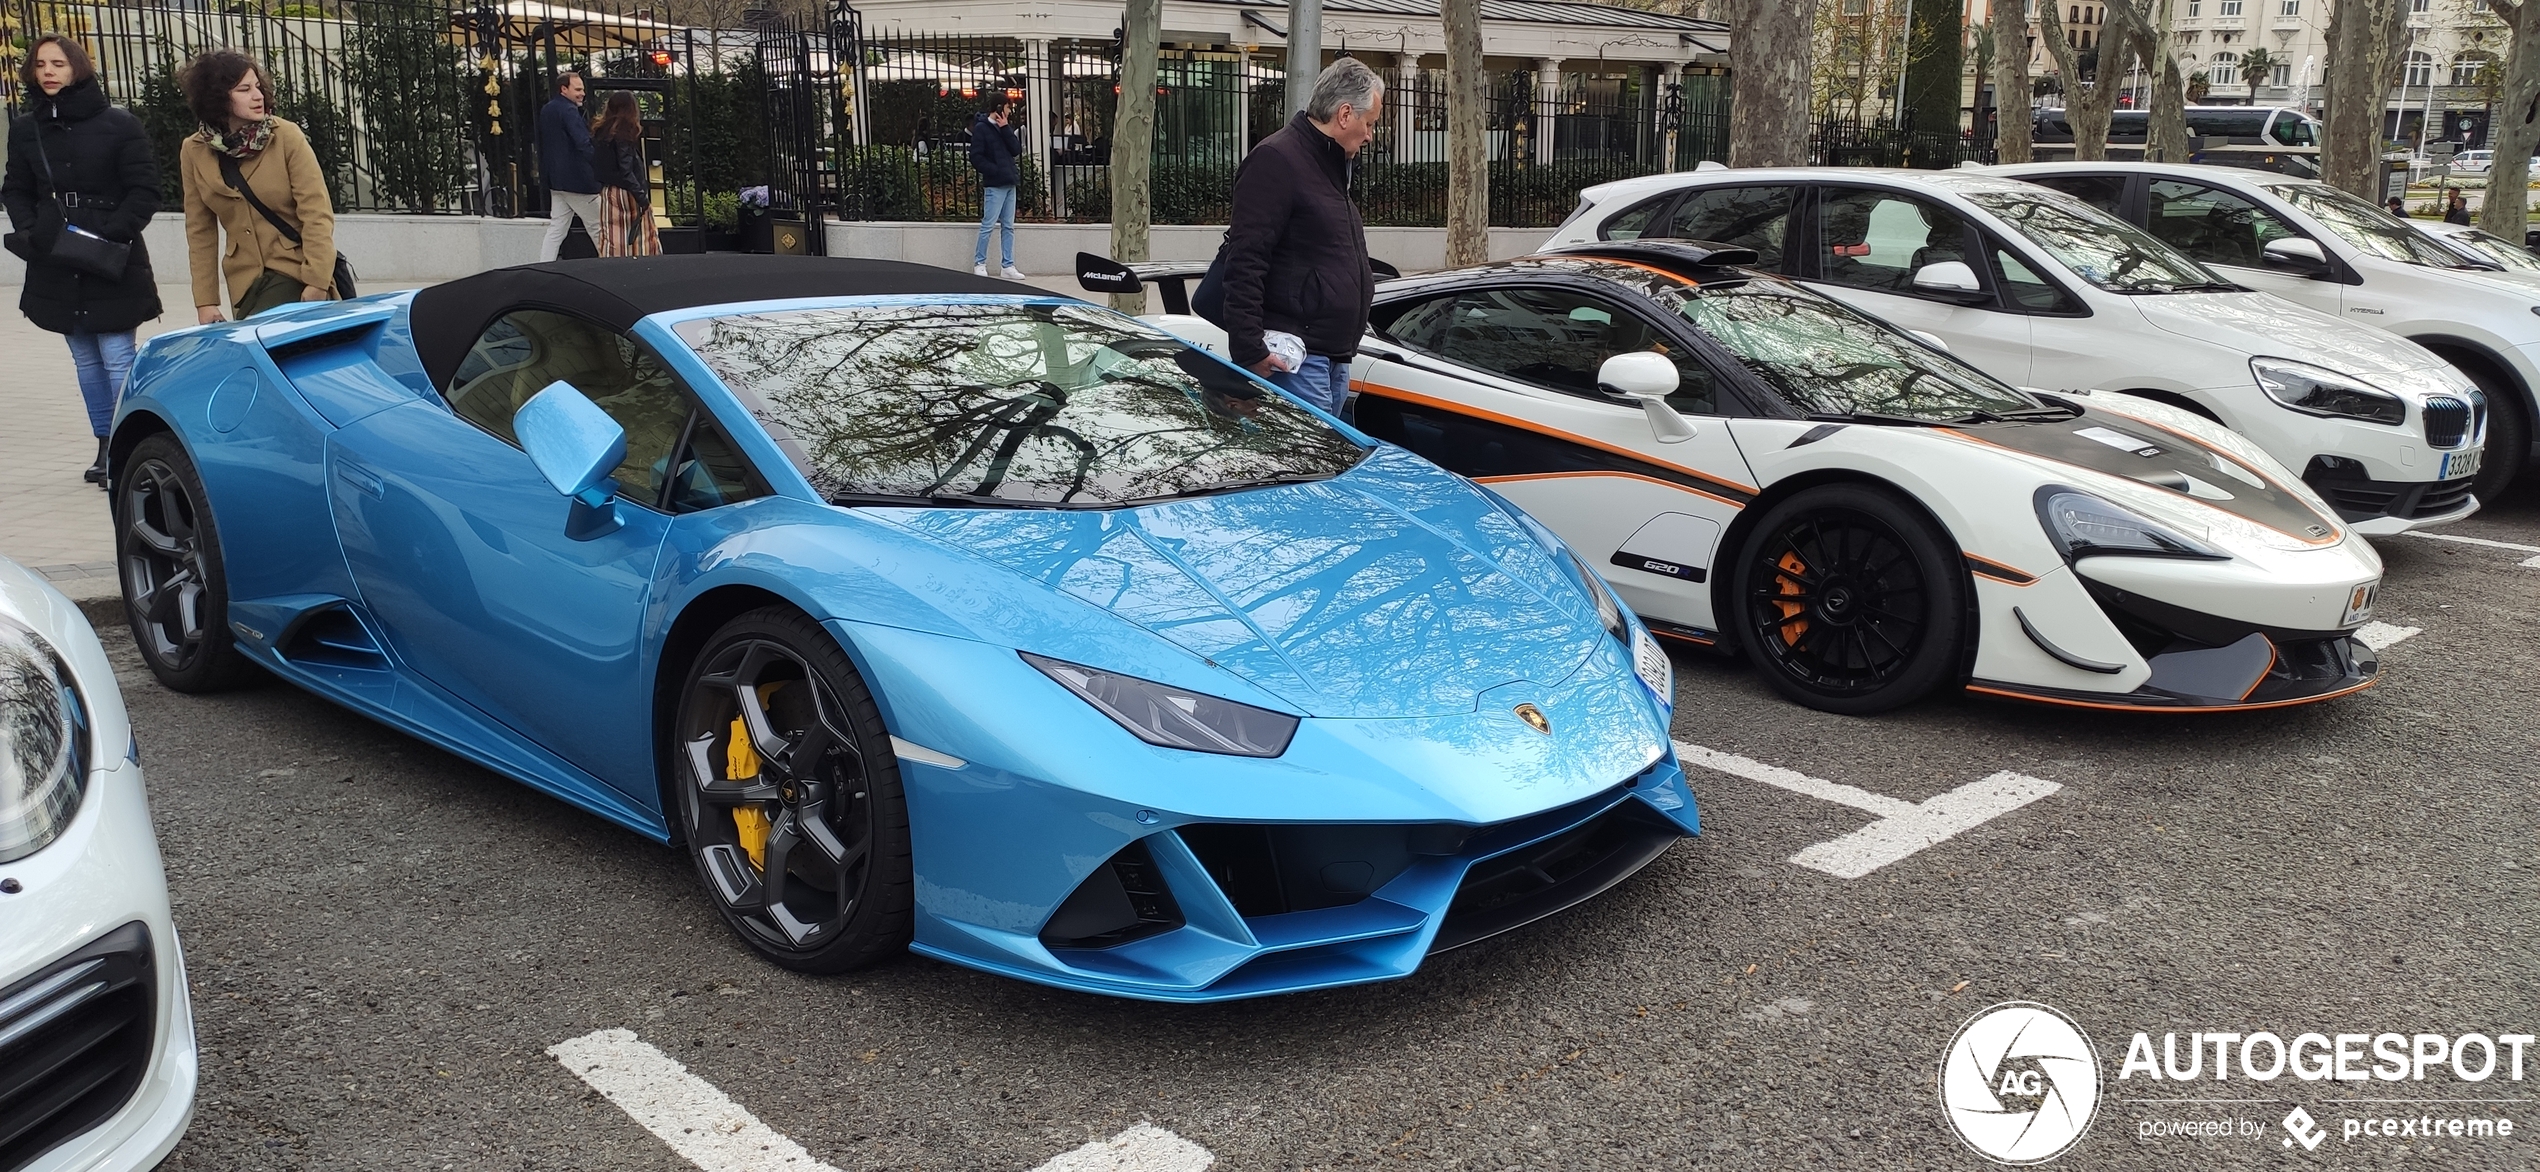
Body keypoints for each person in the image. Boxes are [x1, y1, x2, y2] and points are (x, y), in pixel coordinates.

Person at [3, 34, 162, 485]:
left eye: (59, 63)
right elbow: (15, 187)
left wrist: (110, 233)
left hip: (109, 254)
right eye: (40, 64)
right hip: (54, 254)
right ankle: (106, 445)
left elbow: (145, 190)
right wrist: (33, 230)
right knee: (85, 359)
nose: (48, 71)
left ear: (78, 67)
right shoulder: (26, 127)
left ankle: (132, 446)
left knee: (116, 355)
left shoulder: (119, 123)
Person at [1216, 58, 1383, 417]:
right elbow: (1246, 260)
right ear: (1343, 115)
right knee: (1312, 469)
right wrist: (1249, 348)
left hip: (1330, 354)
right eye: (1368, 124)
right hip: (1297, 356)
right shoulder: (1277, 160)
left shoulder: (1331, 166)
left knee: (1325, 467)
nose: (1370, 135)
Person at [179, 49, 337, 323]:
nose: (258, 96)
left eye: (258, 86)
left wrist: (317, 282)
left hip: (295, 273)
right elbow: (200, 231)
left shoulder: (286, 136)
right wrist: (205, 302)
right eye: (244, 89)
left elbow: (317, 213)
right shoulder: (194, 150)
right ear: (218, 97)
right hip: (245, 285)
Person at [537, 72, 601, 262]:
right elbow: (583, 143)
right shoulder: (569, 111)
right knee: (598, 227)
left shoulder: (548, 109)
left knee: (556, 228)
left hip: (556, 181)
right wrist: (600, 166)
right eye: (578, 89)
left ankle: (544, 266)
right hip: (578, 181)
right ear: (564, 89)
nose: (582, 93)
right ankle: (613, 267)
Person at [590, 92, 658, 257]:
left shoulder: (600, 131)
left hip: (608, 191)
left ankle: (611, 267)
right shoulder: (624, 133)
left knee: (612, 236)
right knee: (643, 236)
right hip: (628, 192)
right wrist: (642, 198)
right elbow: (626, 170)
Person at [970, 96, 1024, 279]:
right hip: (995, 184)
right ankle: (979, 262)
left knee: (1008, 226)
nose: (1010, 111)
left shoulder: (1004, 128)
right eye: (1008, 108)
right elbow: (976, 157)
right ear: (1000, 107)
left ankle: (1007, 265)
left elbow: (1016, 149)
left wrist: (1006, 128)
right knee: (988, 224)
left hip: (1009, 181)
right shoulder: (982, 129)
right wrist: (994, 170)